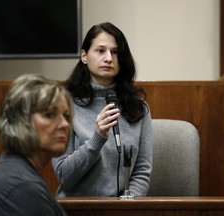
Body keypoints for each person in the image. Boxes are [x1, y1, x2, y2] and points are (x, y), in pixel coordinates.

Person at [52, 22, 153, 197]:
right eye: (100, 51)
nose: (108, 58)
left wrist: (124, 208)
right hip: (76, 208)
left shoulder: (138, 109)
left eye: (115, 52)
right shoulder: (64, 106)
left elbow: (142, 171)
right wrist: (97, 138)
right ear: (84, 56)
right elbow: (64, 175)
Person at [0, 74, 72, 216]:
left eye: (66, 116)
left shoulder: (14, 170)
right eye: (50, 115)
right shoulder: (21, 187)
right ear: (21, 119)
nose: (64, 124)